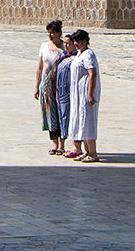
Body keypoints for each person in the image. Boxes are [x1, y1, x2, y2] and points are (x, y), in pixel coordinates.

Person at [67, 29, 100, 161]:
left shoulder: (88, 55)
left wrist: (90, 94)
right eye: (74, 41)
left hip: (86, 95)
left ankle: (93, 153)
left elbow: (92, 74)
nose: (76, 44)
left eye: (78, 41)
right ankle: (86, 151)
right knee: (80, 121)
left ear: (85, 41)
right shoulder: (79, 54)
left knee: (88, 121)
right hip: (77, 95)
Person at [33, 18, 65, 153]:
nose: (50, 35)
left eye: (52, 32)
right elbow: (40, 68)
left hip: (60, 85)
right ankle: (55, 144)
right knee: (50, 113)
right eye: (48, 32)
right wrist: (36, 86)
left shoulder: (65, 47)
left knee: (62, 113)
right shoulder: (44, 46)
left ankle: (62, 145)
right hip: (46, 84)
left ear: (59, 33)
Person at [54, 32, 77, 154]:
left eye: (69, 43)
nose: (67, 46)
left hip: (69, 93)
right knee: (61, 118)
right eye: (65, 43)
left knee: (68, 118)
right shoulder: (63, 57)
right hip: (61, 93)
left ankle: (72, 145)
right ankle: (61, 144)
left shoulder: (74, 59)